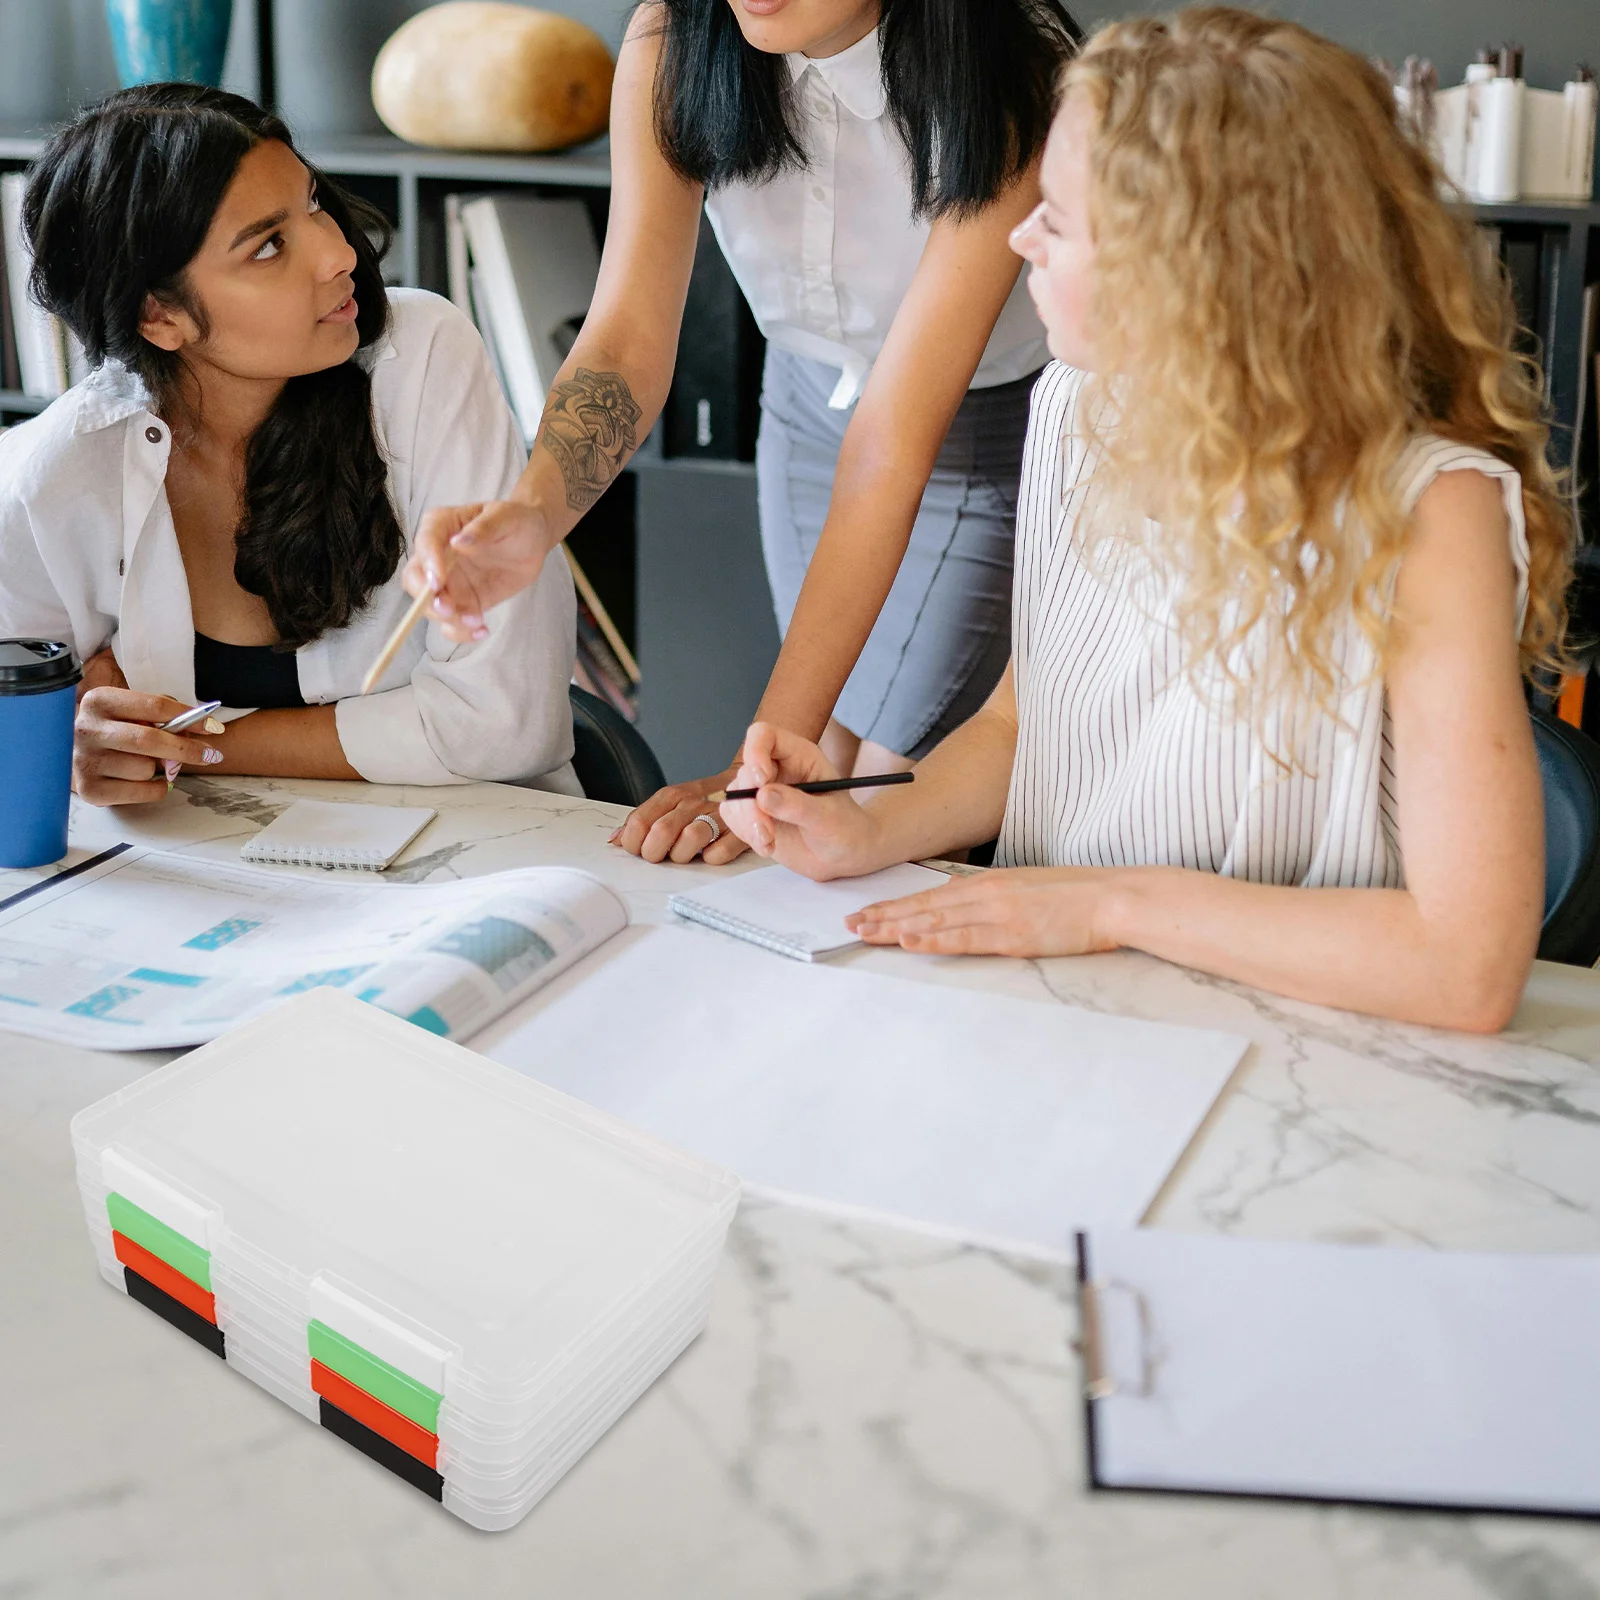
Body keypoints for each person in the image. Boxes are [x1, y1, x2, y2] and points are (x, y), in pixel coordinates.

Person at [714, 8, 1571, 1033]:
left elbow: (1465, 969)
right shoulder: (1075, 408)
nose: (1020, 232)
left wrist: (1113, 904)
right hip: (1075, 1017)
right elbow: (1022, 725)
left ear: (1190, 270)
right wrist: (866, 825)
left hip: (1313, 1044)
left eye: (1060, 220)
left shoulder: (1431, 512)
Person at [405, 0, 1077, 863]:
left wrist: (750, 774)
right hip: (802, 407)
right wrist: (533, 516)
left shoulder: (1011, 62)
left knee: (878, 792)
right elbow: (626, 339)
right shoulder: (673, 40)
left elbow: (892, 446)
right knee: (817, 766)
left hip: (979, 430)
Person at [0, 84, 577, 808]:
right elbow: (28, 732)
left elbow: (504, 725)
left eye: (311, 204)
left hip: (480, 855)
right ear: (160, 315)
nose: (339, 251)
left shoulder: (420, 358)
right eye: (269, 246)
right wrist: (77, 745)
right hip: (217, 886)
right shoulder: (55, 475)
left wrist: (191, 748)